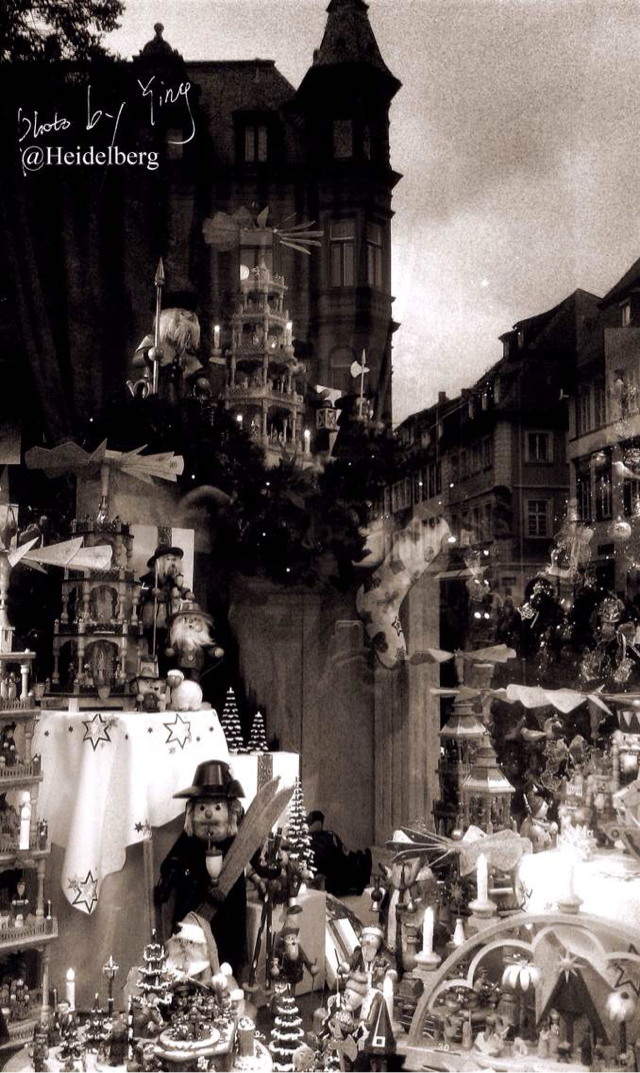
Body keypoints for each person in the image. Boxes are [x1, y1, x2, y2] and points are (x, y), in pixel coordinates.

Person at [155, 761, 252, 978]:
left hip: (228, 915)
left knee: (227, 963)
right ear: (192, 811)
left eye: (217, 807)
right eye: (202, 808)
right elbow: (170, 863)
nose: (209, 814)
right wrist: (170, 877)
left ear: (231, 811)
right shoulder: (189, 842)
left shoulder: (235, 843)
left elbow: (258, 859)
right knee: (194, 964)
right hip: (194, 916)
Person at [307, 810, 372, 896]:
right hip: (332, 867)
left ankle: (360, 860)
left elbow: (342, 849)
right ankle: (361, 861)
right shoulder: (327, 835)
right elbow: (342, 850)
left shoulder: (326, 835)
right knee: (354, 862)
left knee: (353, 860)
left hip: (333, 864)